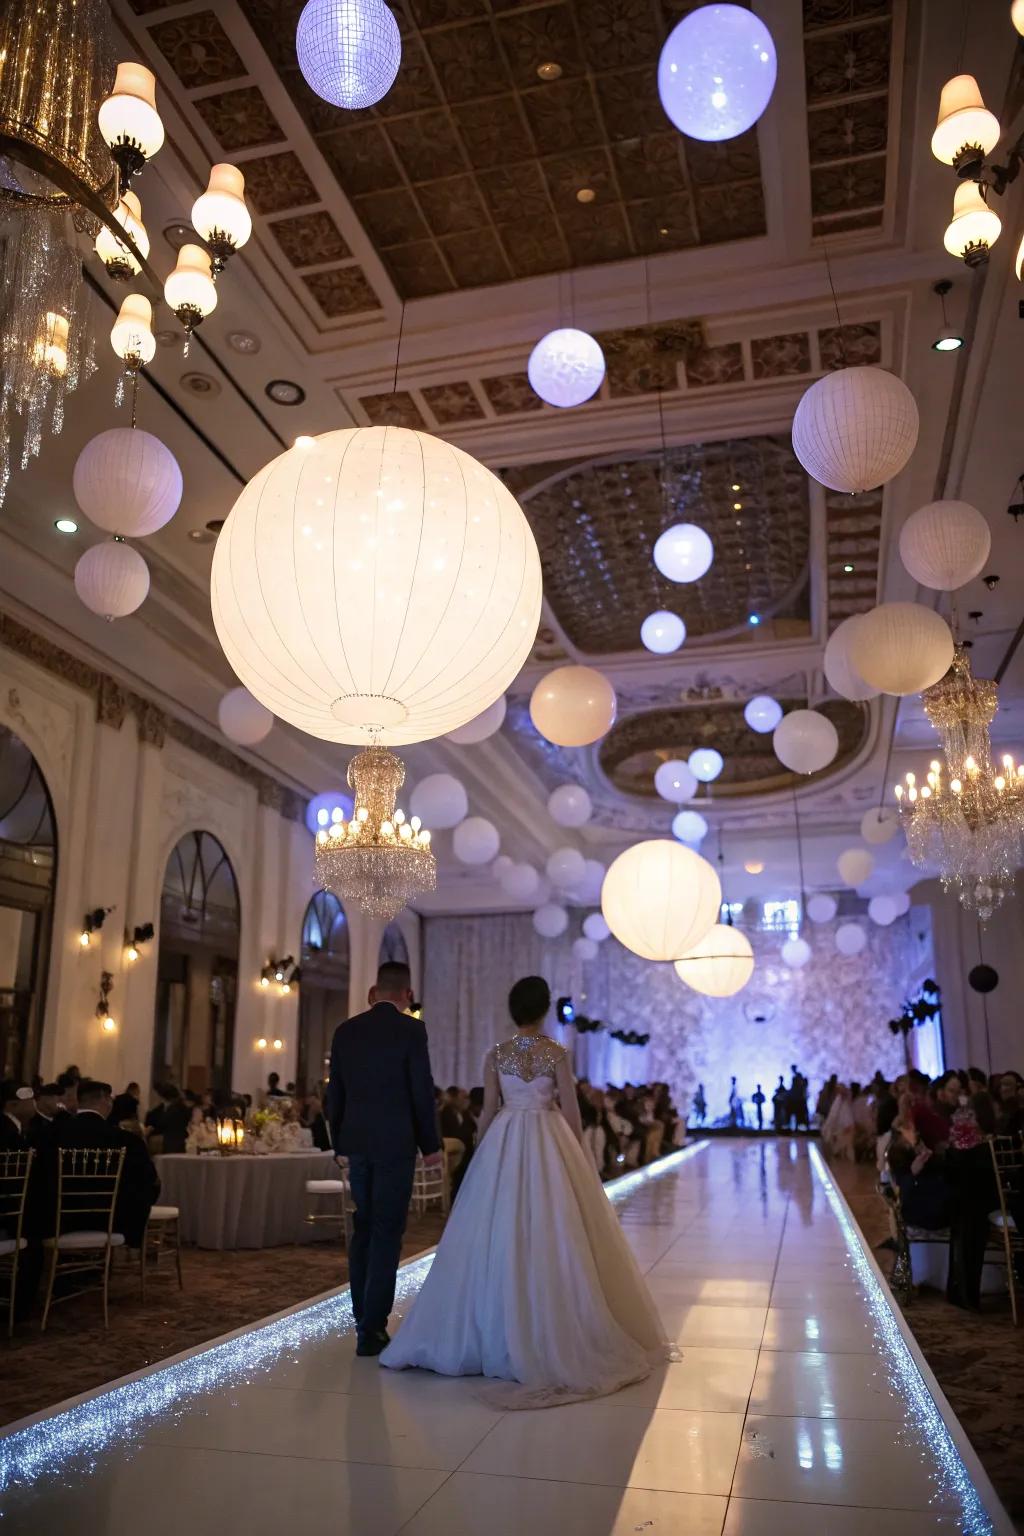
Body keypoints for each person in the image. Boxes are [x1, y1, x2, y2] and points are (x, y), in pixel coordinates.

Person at [381, 975, 664, 1407]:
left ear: (513, 1011)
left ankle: (486, 1329)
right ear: (543, 1009)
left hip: (505, 1139)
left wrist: (481, 1153)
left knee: (496, 1228)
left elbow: (487, 1112)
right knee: (552, 1228)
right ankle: (548, 1325)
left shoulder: (496, 1054)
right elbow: (570, 1113)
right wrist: (579, 1160)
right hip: (548, 1140)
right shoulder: (556, 1053)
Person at [326, 961, 439, 1357]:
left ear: (373, 991)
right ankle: (372, 1328)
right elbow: (420, 1090)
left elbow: (334, 1093)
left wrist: (338, 1142)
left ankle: (362, 1317)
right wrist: (431, 1145)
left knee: (364, 1225)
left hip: (356, 1144)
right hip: (395, 1145)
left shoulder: (346, 1031)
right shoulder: (412, 1029)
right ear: (407, 995)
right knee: (388, 1231)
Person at [54, 1079, 160, 1245]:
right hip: (111, 1222)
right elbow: (148, 1182)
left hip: (57, 1220)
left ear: (78, 1101)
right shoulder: (127, 1140)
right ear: (106, 1100)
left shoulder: (50, 1134)